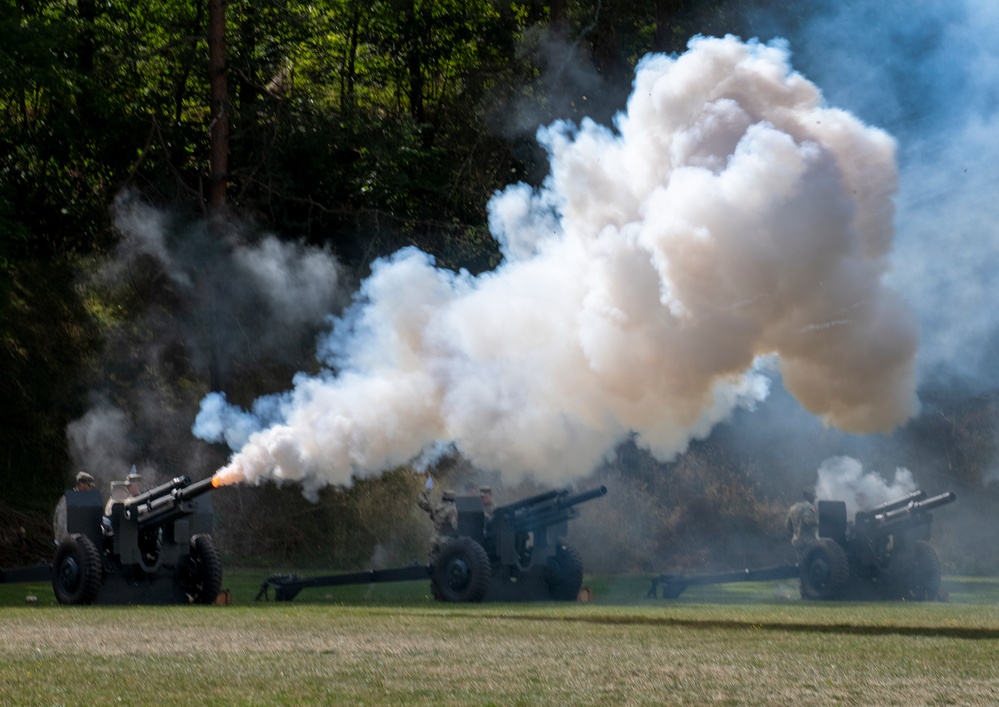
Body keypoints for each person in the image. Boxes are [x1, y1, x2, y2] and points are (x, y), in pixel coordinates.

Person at [417, 477, 458, 560]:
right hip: (446, 542)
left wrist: (427, 490)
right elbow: (455, 527)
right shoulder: (453, 510)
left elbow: (422, 502)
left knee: (433, 563)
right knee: (445, 564)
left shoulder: (436, 507)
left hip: (434, 540)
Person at [53, 471, 97, 544]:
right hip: (69, 543)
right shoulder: (67, 500)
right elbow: (61, 522)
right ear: (80, 484)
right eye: (88, 485)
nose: (90, 488)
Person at [786, 488, 819, 560]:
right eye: (813, 497)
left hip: (796, 541)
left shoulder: (793, 508)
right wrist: (820, 524)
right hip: (808, 541)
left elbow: (788, 526)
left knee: (800, 562)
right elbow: (808, 521)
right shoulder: (809, 507)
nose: (814, 499)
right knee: (809, 563)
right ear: (808, 496)